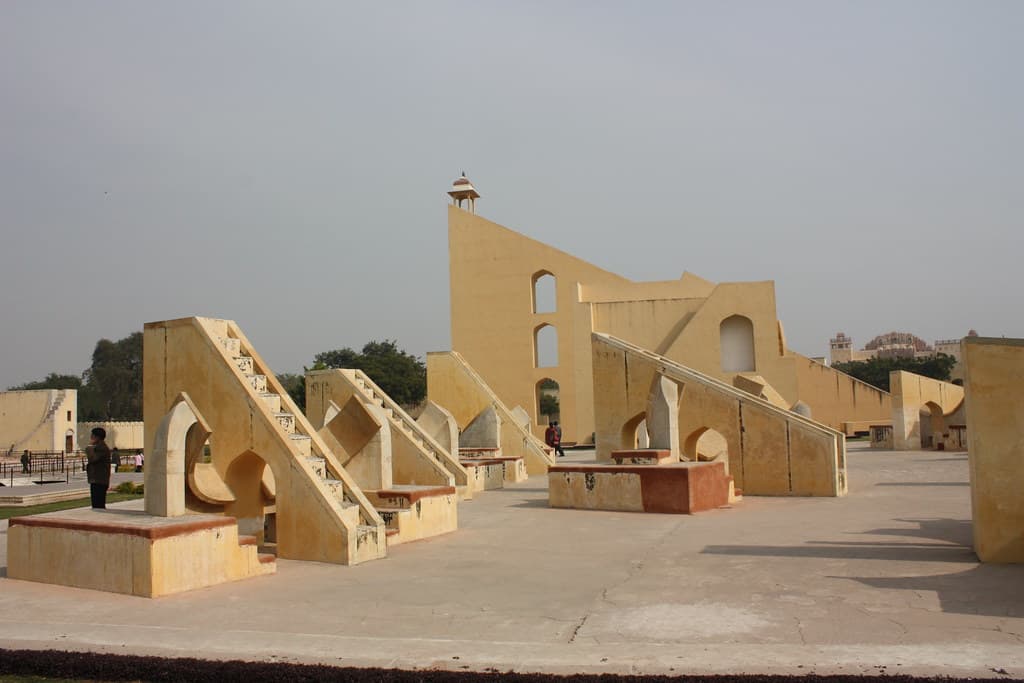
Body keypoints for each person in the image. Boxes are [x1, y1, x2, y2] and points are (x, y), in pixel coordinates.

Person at [85, 427, 111, 509]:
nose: (91, 437)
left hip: (100, 480)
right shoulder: (98, 447)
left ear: (97, 437)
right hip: (97, 480)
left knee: (98, 505)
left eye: (92, 435)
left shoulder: (102, 448)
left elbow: (92, 459)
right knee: (96, 504)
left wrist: (89, 447)